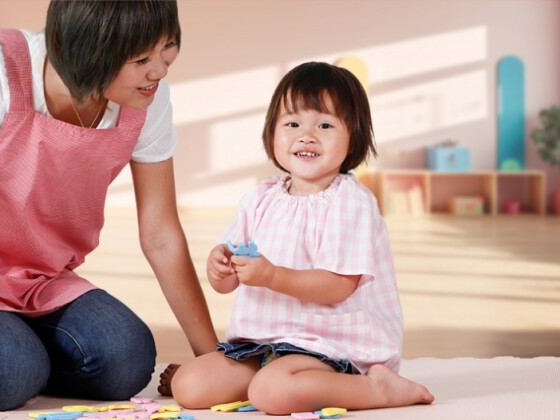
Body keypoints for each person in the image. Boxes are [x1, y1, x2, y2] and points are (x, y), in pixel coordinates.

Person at [0, 1, 218, 417]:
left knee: (128, 362)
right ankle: (12, 354)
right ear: (87, 51)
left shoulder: (145, 97)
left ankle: (18, 350)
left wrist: (213, 360)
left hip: (44, 280)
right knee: (6, 373)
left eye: (168, 47)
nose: (160, 70)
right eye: (141, 59)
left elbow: (160, 236)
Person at [170, 62, 435, 415]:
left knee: (272, 392)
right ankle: (272, 379)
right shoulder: (260, 197)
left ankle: (376, 388)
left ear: (353, 136)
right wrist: (219, 268)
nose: (306, 136)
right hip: (262, 344)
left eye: (324, 125)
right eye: (292, 124)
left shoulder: (350, 201)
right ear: (272, 133)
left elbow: (338, 286)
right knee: (189, 385)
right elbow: (228, 279)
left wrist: (272, 276)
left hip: (330, 346)